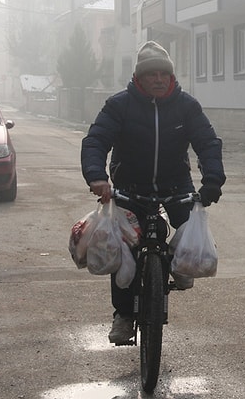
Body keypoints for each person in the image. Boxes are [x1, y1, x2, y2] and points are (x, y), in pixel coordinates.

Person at [81, 40, 226, 344]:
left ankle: (179, 262)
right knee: (124, 249)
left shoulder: (187, 106)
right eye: (152, 75)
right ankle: (122, 315)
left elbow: (207, 142)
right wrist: (97, 176)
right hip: (130, 189)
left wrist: (212, 180)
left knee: (190, 230)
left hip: (176, 186)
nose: (159, 80)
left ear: (171, 77)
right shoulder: (119, 105)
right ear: (139, 78)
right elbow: (96, 141)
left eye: (164, 74)